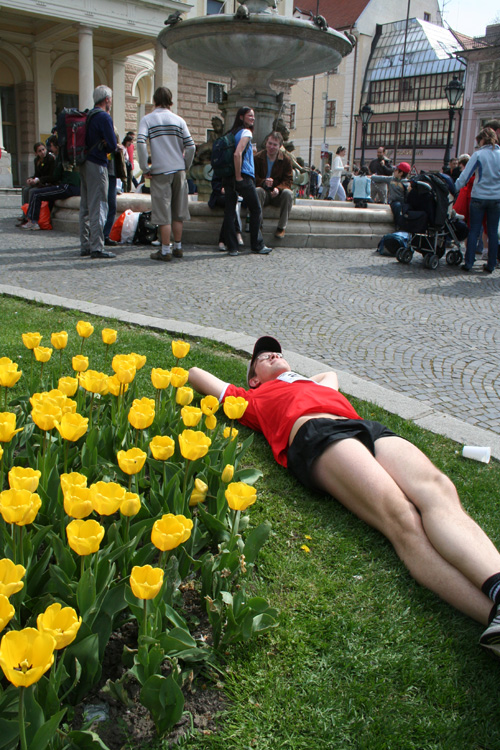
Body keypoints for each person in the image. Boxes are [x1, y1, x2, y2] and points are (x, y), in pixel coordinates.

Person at [188, 335, 500, 656]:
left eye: (277, 352)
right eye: (262, 357)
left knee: (438, 489)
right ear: (253, 378)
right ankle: (492, 617)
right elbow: (196, 373)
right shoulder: (252, 399)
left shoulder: (316, 385)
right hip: (316, 434)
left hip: (363, 427)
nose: (272, 355)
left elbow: (330, 377)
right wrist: (257, 386)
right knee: (402, 516)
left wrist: (293, 378)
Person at [137, 86, 195, 263]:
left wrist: (145, 168)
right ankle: (178, 247)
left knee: (163, 213)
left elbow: (140, 142)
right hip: (179, 170)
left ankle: (165, 250)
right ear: (171, 101)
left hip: (160, 170)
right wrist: (185, 165)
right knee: (178, 211)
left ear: (154, 100)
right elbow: (191, 146)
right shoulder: (179, 120)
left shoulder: (147, 119)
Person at [220, 106, 273, 257]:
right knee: (256, 209)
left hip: (228, 176)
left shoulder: (232, 132)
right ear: (241, 117)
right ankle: (257, 245)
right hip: (242, 175)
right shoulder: (246, 132)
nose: (253, 118)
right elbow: (237, 154)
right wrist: (239, 176)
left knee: (230, 211)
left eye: (254, 116)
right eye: (249, 115)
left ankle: (232, 247)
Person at [79, 85, 121, 259]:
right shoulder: (104, 117)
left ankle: (85, 244)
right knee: (99, 205)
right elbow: (111, 144)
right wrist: (109, 144)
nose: (111, 102)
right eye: (110, 99)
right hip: (97, 164)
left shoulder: (88, 115)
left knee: (85, 206)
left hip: (84, 163)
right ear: (107, 100)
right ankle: (97, 246)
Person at [455, 127, 500, 274]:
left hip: (479, 197)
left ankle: (468, 262)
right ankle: (491, 264)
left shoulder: (479, 155)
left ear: (482, 139)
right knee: (493, 231)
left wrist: (454, 188)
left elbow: (465, 176)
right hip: (496, 198)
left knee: (474, 230)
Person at [21, 135, 80, 230]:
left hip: (68, 186)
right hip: (69, 186)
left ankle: (33, 221)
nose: (50, 149)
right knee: (32, 191)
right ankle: (29, 219)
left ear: (56, 146)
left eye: (51, 146)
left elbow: (55, 176)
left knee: (36, 194)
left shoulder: (59, 157)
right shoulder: (64, 155)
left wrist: (38, 180)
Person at [255, 131, 294, 239]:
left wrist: (278, 189)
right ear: (266, 143)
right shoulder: (258, 157)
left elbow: (288, 180)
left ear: (280, 146)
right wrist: (263, 182)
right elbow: (252, 177)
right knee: (257, 191)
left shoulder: (286, 160)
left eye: (275, 145)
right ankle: (258, 225)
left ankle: (281, 227)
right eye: (270, 143)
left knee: (288, 193)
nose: (271, 147)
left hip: (278, 195)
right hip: (264, 192)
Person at [17, 142, 56, 226]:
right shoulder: (37, 160)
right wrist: (31, 179)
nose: (42, 152)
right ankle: (25, 215)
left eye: (43, 149)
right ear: (36, 153)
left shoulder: (50, 159)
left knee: (32, 191)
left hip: (47, 183)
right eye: (40, 151)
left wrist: (38, 180)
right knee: (25, 189)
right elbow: (37, 174)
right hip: (40, 182)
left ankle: (30, 216)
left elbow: (51, 176)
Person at [208, 176, 244, 251]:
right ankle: (237, 232)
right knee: (231, 204)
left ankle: (222, 241)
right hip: (220, 195)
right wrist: (222, 189)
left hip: (235, 195)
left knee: (230, 208)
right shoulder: (221, 166)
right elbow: (215, 183)